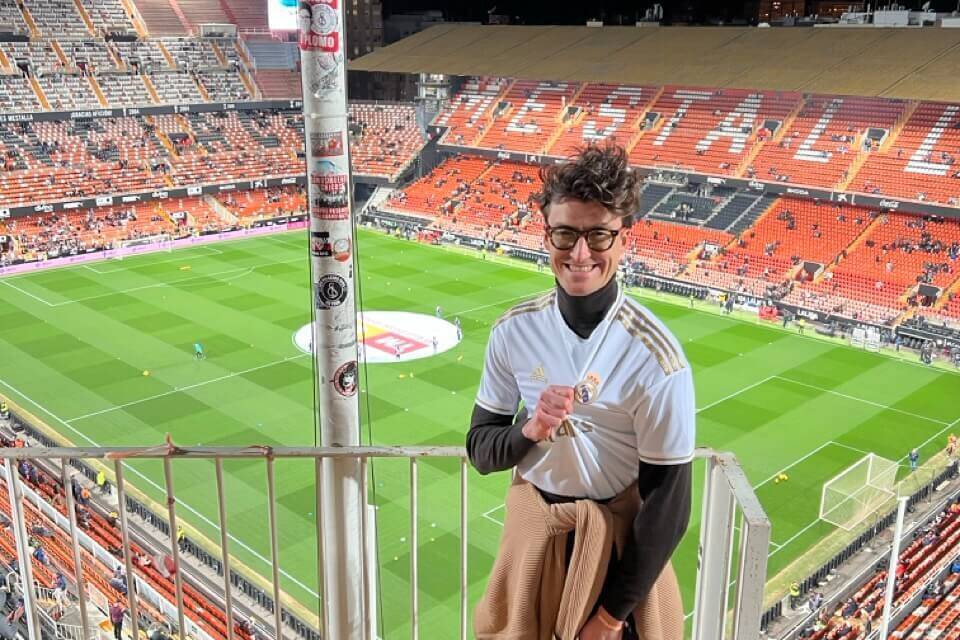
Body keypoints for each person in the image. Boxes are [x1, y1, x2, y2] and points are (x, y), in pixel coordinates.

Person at [468, 144, 693, 640]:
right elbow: (481, 451)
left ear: (622, 239)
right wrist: (531, 429)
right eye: (566, 234)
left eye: (598, 235)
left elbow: (669, 507)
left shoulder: (656, 357)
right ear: (546, 233)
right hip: (533, 542)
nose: (581, 253)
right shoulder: (513, 331)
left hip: (616, 558)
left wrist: (609, 619)